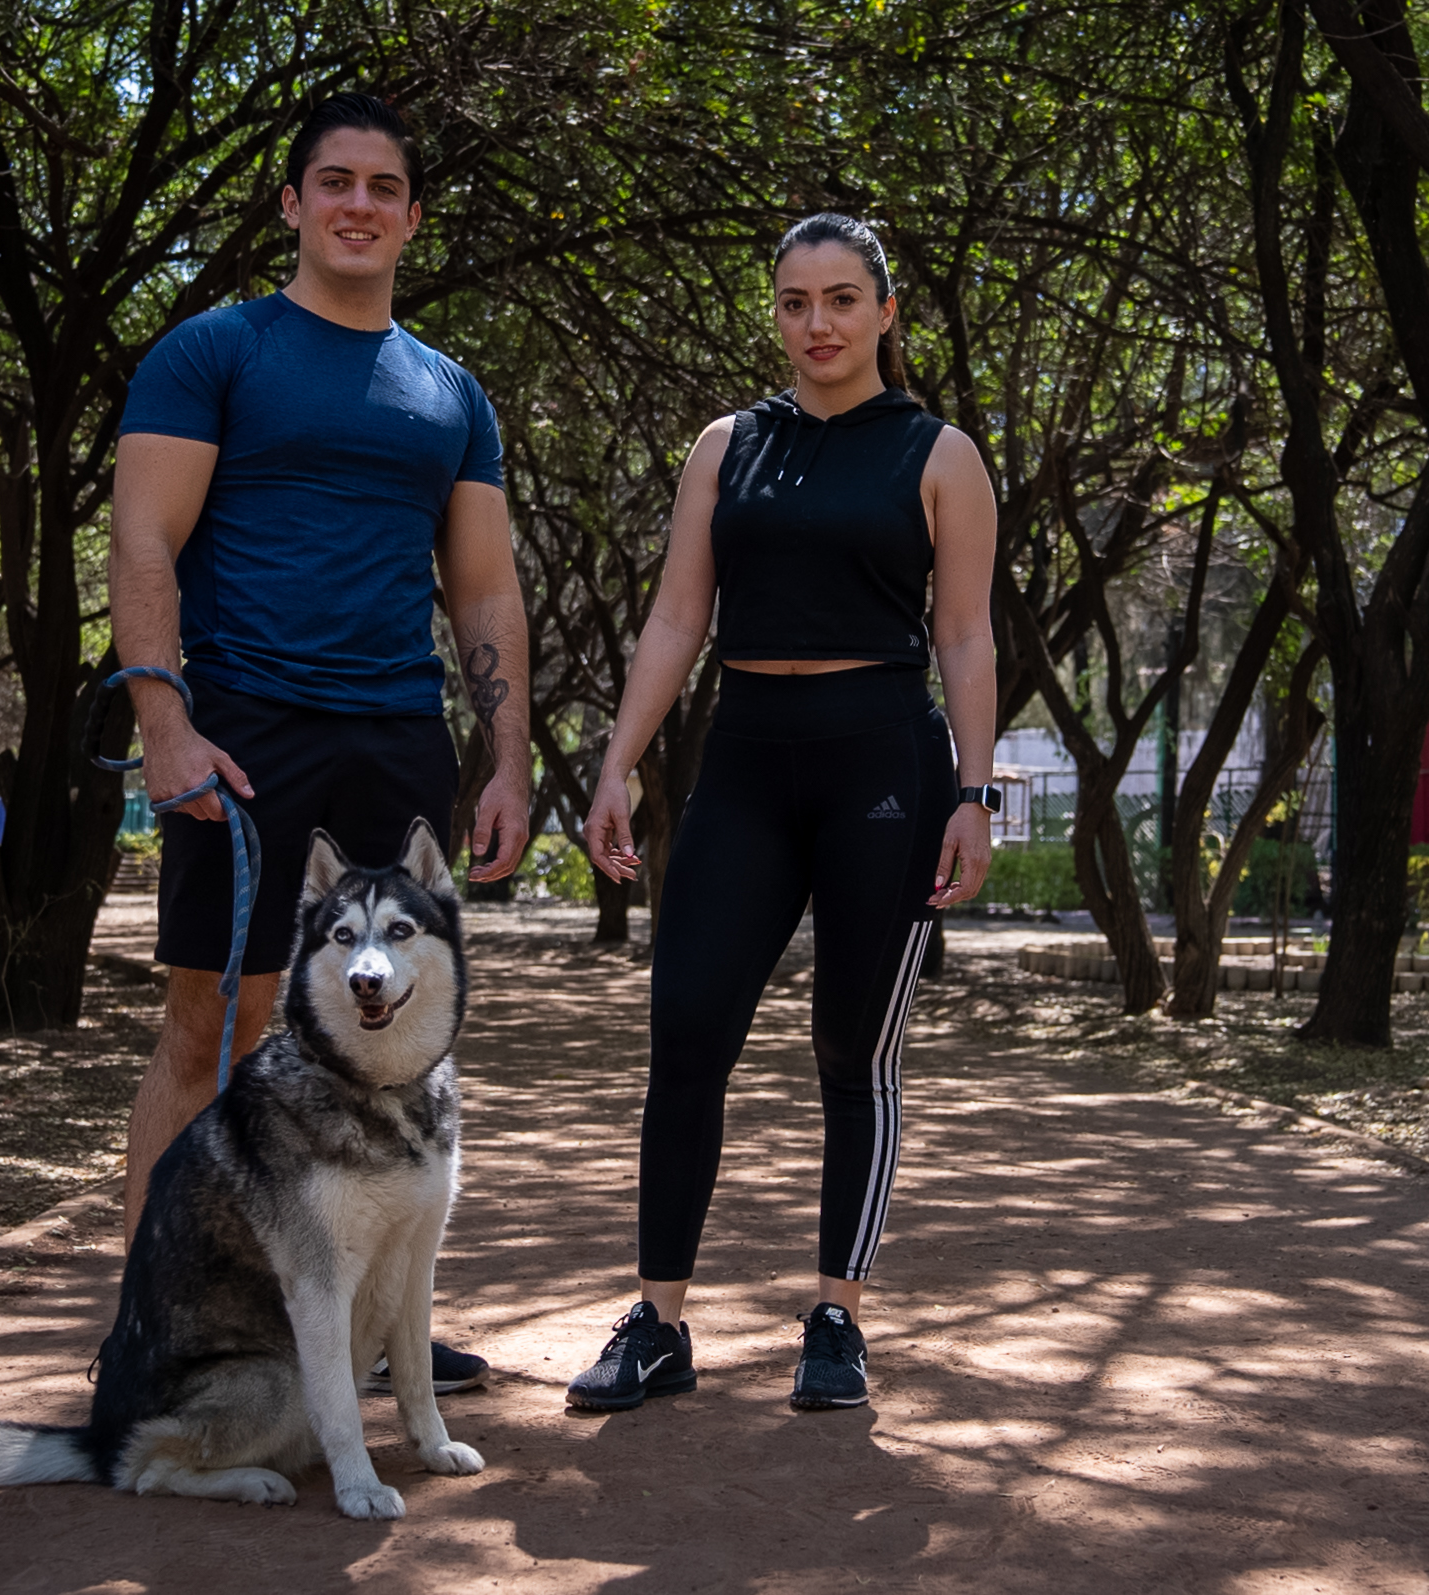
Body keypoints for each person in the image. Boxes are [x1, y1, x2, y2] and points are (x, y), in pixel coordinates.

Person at [108, 93, 531, 1395]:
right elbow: (142, 543)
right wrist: (163, 720)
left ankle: (376, 1340)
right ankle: (152, 1341)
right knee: (212, 1033)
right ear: (293, 204)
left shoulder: (449, 391)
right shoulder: (213, 352)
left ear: (410, 215)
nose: (358, 204)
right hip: (241, 729)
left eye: (383, 187)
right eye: (332, 182)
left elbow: (482, 589)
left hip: (397, 735)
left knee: (395, 1050)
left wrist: (507, 752)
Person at [565, 213, 999, 1413]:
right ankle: (658, 1322)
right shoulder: (728, 444)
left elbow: (964, 631)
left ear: (884, 311)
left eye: (843, 299)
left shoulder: (939, 453)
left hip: (885, 769)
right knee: (686, 1030)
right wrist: (618, 763)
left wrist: (975, 789)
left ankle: (836, 1317)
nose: (818, 324)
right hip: (745, 759)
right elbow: (673, 618)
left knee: (851, 1051)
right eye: (796, 302)